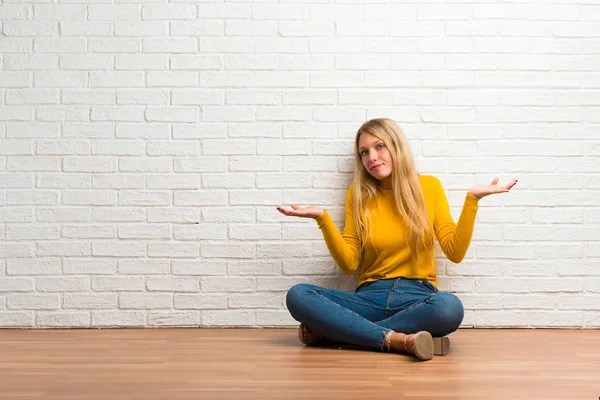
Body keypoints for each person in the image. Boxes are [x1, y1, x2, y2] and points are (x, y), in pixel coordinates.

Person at [276, 118, 517, 361]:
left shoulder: (430, 187)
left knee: (449, 308)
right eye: (364, 152)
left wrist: (472, 200)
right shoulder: (358, 195)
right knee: (298, 295)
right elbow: (349, 263)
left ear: (396, 146)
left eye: (379, 146)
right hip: (369, 297)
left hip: (418, 297)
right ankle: (398, 340)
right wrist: (322, 219)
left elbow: (454, 252)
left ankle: (340, 333)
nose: (372, 157)